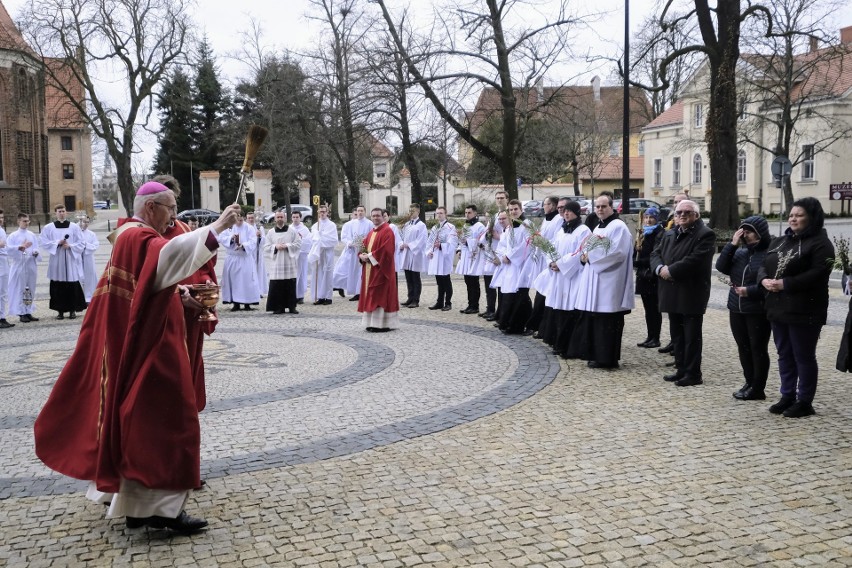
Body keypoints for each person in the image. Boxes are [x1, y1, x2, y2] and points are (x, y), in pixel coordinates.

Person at [34, 181, 241, 534]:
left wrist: (181, 294)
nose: (174, 217)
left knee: (140, 422)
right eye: (170, 209)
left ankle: (136, 505)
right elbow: (168, 257)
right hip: (153, 348)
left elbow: (151, 283)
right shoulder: (138, 237)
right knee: (167, 422)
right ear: (150, 208)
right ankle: (161, 512)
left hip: (142, 341)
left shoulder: (130, 236)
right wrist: (218, 226)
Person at [758, 197, 834, 418]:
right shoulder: (779, 241)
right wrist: (763, 280)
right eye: (791, 215)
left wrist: (785, 284)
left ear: (812, 218)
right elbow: (763, 264)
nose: (793, 218)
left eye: (799, 215)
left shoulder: (821, 243)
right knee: (784, 354)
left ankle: (804, 400)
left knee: (803, 355)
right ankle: (787, 394)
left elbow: (818, 273)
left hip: (805, 309)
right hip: (777, 306)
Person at [650, 199, 715, 386]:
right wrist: (660, 268)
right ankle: (681, 368)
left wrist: (671, 271)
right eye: (679, 213)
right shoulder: (670, 233)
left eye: (687, 212)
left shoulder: (705, 234)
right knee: (677, 335)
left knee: (691, 337)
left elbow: (695, 260)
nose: (682, 215)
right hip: (671, 291)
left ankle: (693, 373)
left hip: (691, 292)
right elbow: (656, 254)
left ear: (696, 215)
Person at [569, 192, 634, 369]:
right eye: (597, 206)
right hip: (597, 280)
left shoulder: (618, 227)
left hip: (610, 282)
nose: (600, 209)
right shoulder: (599, 227)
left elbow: (617, 253)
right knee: (597, 321)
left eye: (603, 206)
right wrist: (585, 254)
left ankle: (608, 358)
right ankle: (597, 355)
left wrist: (590, 256)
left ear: (611, 207)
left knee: (608, 322)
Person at [716, 216, 771, 400]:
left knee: (757, 348)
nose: (745, 235)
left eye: (749, 231)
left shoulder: (769, 254)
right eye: (743, 231)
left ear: (760, 233)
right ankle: (749, 381)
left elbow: (769, 283)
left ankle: (758, 387)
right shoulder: (739, 252)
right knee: (743, 347)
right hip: (736, 308)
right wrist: (732, 245)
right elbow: (721, 266)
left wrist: (750, 291)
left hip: (757, 310)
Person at [537, 200, 590, 355]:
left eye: (570, 211)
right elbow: (550, 247)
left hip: (572, 276)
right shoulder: (561, 230)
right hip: (558, 276)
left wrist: (560, 264)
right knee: (558, 311)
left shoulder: (583, 230)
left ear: (577, 212)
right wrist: (551, 262)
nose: (566, 213)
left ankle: (568, 347)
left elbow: (579, 253)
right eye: (565, 211)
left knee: (569, 312)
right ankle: (557, 342)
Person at [40, 205, 87, 319]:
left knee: (72, 285)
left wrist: (70, 245)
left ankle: (72, 310)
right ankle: (60, 311)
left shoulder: (74, 227)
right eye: (59, 211)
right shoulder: (49, 227)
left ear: (66, 213)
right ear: (55, 213)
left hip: (70, 259)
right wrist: (57, 243)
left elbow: (81, 242)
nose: (61, 213)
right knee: (57, 285)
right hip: (56, 261)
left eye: (63, 211)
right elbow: (43, 241)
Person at [524, 195, 563, 335]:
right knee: (540, 291)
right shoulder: (546, 219)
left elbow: (555, 240)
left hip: (550, 259)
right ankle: (537, 326)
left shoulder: (558, 220)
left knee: (543, 295)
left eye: (545, 204)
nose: (543, 207)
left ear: (552, 206)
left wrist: (541, 241)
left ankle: (539, 326)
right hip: (542, 258)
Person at [358, 207, 399, 331]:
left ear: (383, 216)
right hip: (370, 269)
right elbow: (363, 246)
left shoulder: (387, 231)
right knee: (371, 295)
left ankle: (382, 324)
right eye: (373, 216)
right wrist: (361, 255)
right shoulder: (371, 232)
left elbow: (386, 251)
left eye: (378, 215)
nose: (375, 218)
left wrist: (369, 256)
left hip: (382, 270)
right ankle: (371, 323)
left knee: (380, 295)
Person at [658, 192, 689, 354]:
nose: (677, 204)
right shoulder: (670, 223)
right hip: (666, 279)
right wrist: (660, 268)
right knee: (673, 318)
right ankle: (674, 343)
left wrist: (670, 270)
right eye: (676, 202)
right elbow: (659, 251)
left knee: (683, 321)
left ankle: (680, 349)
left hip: (681, 281)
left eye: (681, 201)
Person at [495, 199, 532, 334]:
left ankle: (522, 325)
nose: (513, 212)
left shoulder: (527, 225)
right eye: (511, 210)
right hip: (509, 266)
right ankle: (509, 323)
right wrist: (503, 256)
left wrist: (510, 256)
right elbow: (503, 244)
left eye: (515, 209)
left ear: (521, 209)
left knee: (521, 296)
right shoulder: (510, 227)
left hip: (522, 265)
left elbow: (528, 244)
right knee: (510, 294)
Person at [633, 207, 664, 348]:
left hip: (652, 276)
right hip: (643, 276)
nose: (648, 220)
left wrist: (637, 262)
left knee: (654, 309)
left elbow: (655, 256)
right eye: (646, 217)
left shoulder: (659, 233)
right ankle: (650, 336)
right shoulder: (642, 233)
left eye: (651, 217)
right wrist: (636, 250)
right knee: (647, 308)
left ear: (656, 219)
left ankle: (655, 337)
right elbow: (637, 253)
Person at [218, 212, 261, 311]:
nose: (239, 219)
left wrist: (244, 245)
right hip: (233, 258)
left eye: (241, 217)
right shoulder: (229, 227)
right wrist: (231, 239)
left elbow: (253, 240)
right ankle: (235, 303)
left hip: (244, 258)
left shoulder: (249, 228)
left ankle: (247, 303)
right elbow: (222, 238)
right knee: (234, 281)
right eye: (237, 217)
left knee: (247, 281)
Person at [264, 210, 302, 314]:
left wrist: (287, 246)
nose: (280, 219)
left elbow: (298, 244)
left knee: (290, 284)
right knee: (277, 285)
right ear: (275, 219)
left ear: (285, 218)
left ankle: (291, 307)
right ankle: (278, 307)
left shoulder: (292, 231)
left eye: (281, 217)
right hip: (277, 263)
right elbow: (266, 247)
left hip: (289, 261)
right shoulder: (271, 232)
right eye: (278, 217)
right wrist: (275, 246)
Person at [333, 205, 372, 301]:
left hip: (364, 251)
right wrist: (350, 243)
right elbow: (345, 237)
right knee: (353, 272)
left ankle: (361, 292)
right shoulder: (351, 224)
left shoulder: (369, 223)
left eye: (362, 211)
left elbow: (372, 235)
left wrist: (365, 243)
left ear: (365, 212)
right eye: (358, 211)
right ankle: (355, 291)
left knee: (361, 272)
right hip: (352, 251)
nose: (360, 212)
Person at [7, 213, 41, 323]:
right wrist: (19, 248)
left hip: (30, 264)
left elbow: (36, 248)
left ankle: (28, 310)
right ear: (18, 222)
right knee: (20, 289)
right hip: (19, 265)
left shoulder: (31, 234)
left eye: (28, 221)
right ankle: (21, 312)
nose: (26, 223)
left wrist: (36, 253)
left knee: (30, 289)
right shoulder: (13, 236)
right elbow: (8, 250)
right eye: (24, 221)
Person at [426, 206, 458, 311]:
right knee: (439, 280)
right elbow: (429, 241)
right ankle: (439, 302)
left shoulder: (450, 227)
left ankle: (448, 303)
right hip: (436, 257)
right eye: (437, 213)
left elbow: (452, 242)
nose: (439, 215)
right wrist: (429, 251)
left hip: (444, 257)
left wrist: (441, 246)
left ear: (445, 214)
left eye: (441, 213)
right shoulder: (435, 227)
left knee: (446, 280)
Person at [455, 204, 486, 314]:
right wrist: (459, 250)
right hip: (465, 257)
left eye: (469, 212)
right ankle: (470, 304)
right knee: (468, 281)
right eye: (466, 212)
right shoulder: (465, 226)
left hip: (474, 257)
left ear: (475, 213)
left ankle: (475, 306)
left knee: (474, 282)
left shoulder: (480, 226)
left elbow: (481, 242)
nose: (467, 215)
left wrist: (468, 242)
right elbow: (461, 240)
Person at [308, 205, 338, 305]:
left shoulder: (332, 225)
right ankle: (320, 296)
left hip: (328, 252)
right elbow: (311, 239)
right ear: (318, 212)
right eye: (320, 212)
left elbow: (333, 240)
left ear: (327, 212)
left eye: (324, 212)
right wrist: (317, 237)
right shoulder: (315, 226)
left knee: (328, 273)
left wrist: (320, 238)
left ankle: (328, 297)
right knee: (318, 274)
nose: (322, 213)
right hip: (318, 253)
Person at [399, 204, 427, 308]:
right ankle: (410, 297)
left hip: (415, 254)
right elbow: (402, 236)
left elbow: (422, 240)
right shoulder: (407, 224)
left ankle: (416, 300)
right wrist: (401, 244)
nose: (411, 212)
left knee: (415, 277)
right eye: (410, 210)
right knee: (408, 277)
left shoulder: (421, 225)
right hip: (407, 253)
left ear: (418, 211)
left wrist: (410, 245)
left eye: (413, 211)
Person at [290, 210, 312, 304]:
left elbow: (309, 241)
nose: (295, 219)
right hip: (292, 256)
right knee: (293, 275)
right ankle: (292, 295)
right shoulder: (289, 228)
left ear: (300, 218)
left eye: (297, 217)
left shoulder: (305, 229)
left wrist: (301, 239)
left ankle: (300, 296)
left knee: (302, 274)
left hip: (302, 255)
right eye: (294, 217)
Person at [78, 216, 100, 303]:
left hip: (88, 258)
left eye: (87, 222)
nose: (86, 224)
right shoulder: (75, 232)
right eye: (84, 222)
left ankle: (89, 297)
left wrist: (86, 245)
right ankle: (79, 298)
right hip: (77, 258)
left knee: (89, 277)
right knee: (78, 276)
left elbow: (95, 245)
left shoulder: (91, 234)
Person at [246, 212, 268, 298]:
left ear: (255, 218)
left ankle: (259, 291)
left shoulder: (259, 227)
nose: (251, 219)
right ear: (246, 219)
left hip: (258, 253)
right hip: (249, 253)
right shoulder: (245, 228)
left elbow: (264, 241)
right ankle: (250, 291)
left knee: (259, 272)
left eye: (252, 218)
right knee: (249, 273)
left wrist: (260, 237)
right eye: (249, 218)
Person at [0, 209, 12, 328]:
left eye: (2, 218)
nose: (1, 220)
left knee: (3, 292)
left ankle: (2, 316)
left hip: (3, 261)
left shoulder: (2, 230)